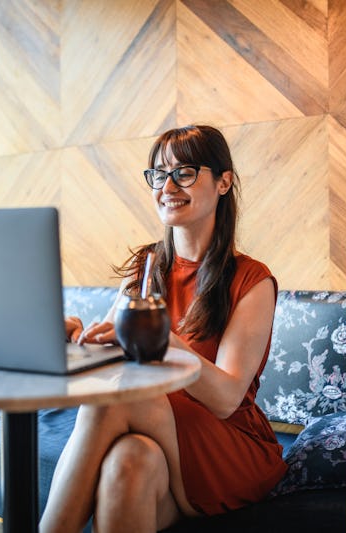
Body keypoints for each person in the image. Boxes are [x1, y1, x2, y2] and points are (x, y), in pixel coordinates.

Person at [41, 125, 287, 533]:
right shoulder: (146, 267)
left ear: (224, 182)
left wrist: (162, 341)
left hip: (227, 441)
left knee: (112, 401)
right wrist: (79, 341)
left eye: (184, 172)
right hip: (159, 429)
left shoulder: (252, 279)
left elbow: (226, 398)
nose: (167, 186)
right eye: (158, 174)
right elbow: (118, 359)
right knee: (130, 461)